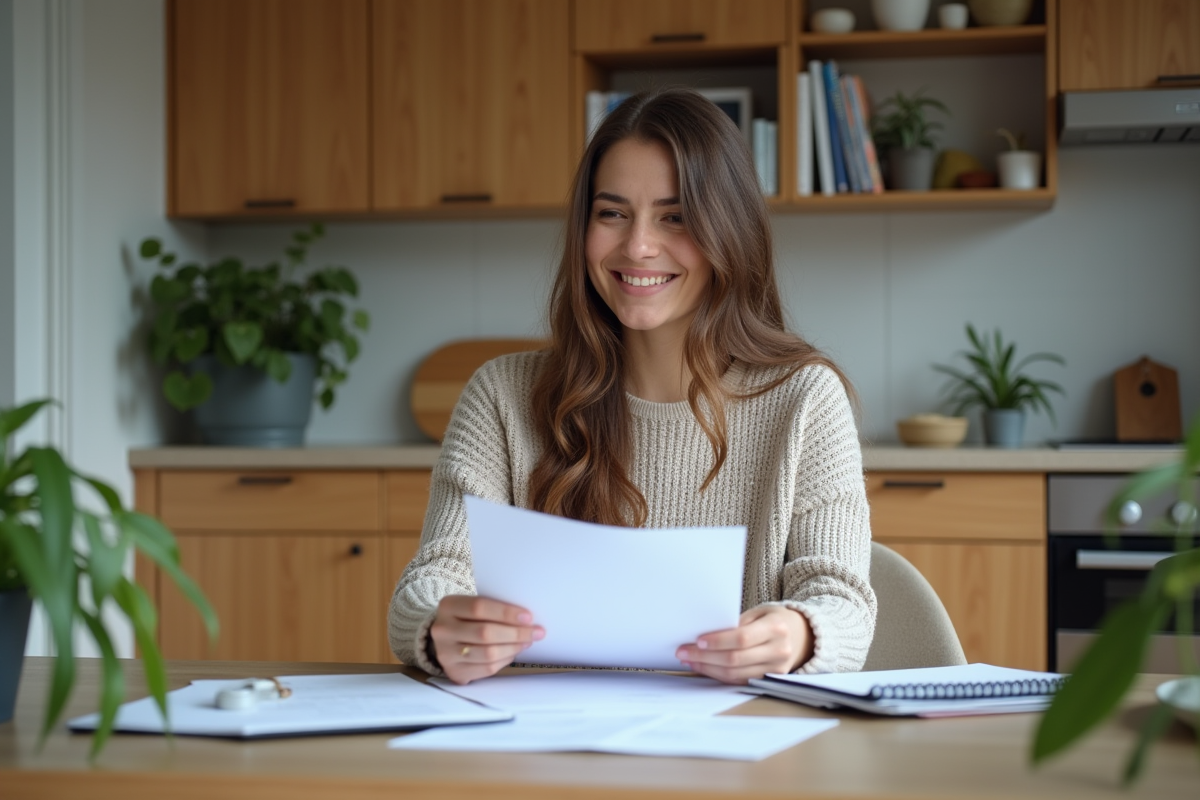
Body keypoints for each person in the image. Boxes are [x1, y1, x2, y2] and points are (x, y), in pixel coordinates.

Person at [388, 87, 875, 686]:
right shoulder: (500, 396)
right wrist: (440, 627)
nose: (638, 246)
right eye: (612, 213)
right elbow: (433, 577)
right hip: (537, 751)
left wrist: (799, 634)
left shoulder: (804, 400)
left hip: (736, 753)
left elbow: (842, 600)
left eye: (675, 217)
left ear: (731, 230)